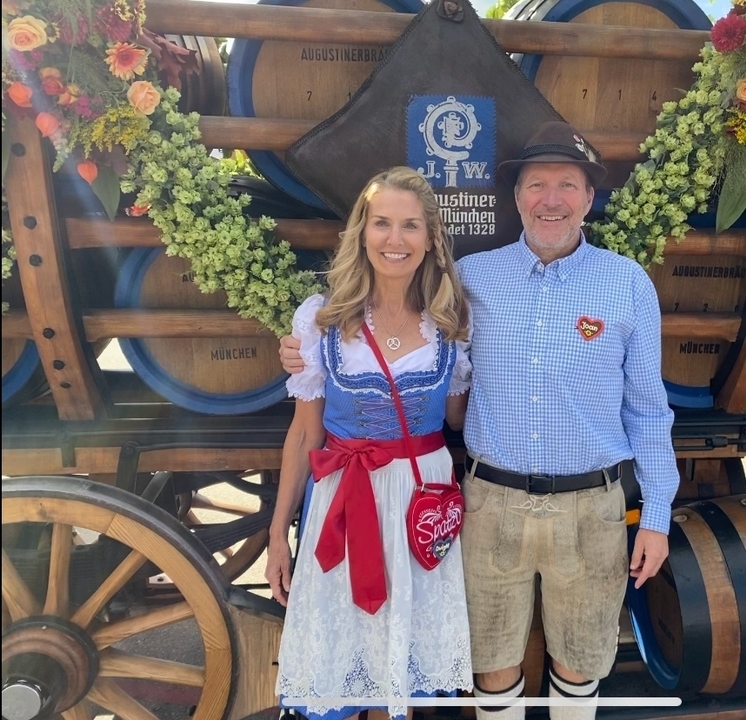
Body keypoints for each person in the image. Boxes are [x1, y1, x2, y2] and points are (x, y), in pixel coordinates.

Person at [279, 122, 680, 720]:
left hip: (591, 508)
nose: (551, 199)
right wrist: (303, 351)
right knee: (491, 667)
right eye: (536, 184)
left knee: (581, 664)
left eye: (567, 185)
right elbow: (428, 367)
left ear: (589, 198)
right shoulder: (471, 282)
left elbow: (649, 411)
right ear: (516, 197)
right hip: (490, 503)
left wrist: (656, 516)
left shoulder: (626, 285)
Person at [266, 166, 474, 720]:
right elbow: (306, 433)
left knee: (398, 664)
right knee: (342, 658)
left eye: (409, 226)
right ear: (362, 232)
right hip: (342, 496)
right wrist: (277, 533)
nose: (394, 239)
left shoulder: (451, 322)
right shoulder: (321, 320)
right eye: (381, 223)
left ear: (430, 238)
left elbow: (457, 418)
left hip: (419, 503)